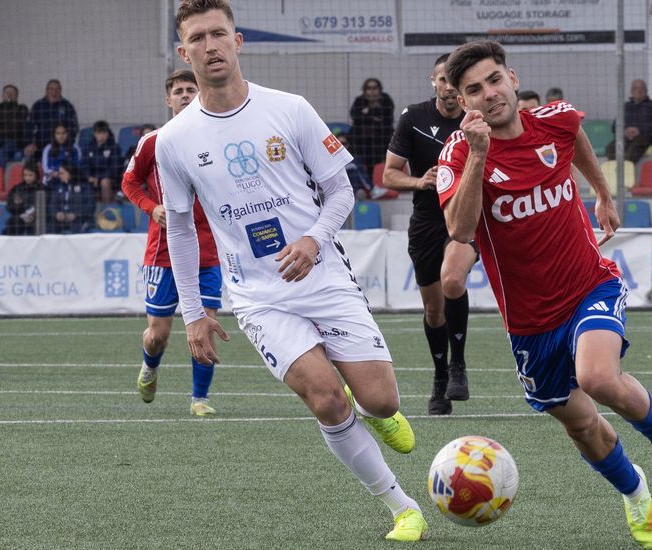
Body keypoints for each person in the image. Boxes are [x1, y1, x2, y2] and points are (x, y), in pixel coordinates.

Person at [156, 1, 427, 541]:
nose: (210, 46)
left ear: (238, 41)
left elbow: (340, 190)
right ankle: (402, 507)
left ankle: (373, 407)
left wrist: (313, 238)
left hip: (323, 275)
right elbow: (181, 230)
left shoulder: (290, 108)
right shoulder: (173, 140)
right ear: (184, 53)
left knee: (381, 400)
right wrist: (194, 314)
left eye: (218, 34)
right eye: (197, 39)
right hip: (258, 295)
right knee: (325, 397)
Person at [439, 40, 652, 550]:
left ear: (513, 78)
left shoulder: (556, 121)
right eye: (473, 90)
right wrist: (479, 154)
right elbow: (459, 228)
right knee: (583, 427)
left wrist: (603, 194)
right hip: (530, 322)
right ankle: (634, 493)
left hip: (590, 283)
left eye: (495, 80)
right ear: (461, 102)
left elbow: (578, 140)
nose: (489, 94)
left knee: (597, 376)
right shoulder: (459, 153)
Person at [121, 69, 222, 417]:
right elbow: (130, 182)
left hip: (208, 254)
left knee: (205, 324)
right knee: (158, 334)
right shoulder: (153, 141)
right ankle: (150, 365)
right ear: (168, 100)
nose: (184, 94)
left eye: (190, 89)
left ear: (200, 92)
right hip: (162, 253)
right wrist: (152, 208)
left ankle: (200, 399)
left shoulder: (217, 138)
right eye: (177, 90)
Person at [382, 54, 477, 415]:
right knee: (433, 311)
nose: (448, 87)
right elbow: (389, 175)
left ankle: (459, 366)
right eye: (442, 80)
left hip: (465, 220)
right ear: (433, 82)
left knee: (453, 280)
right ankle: (440, 378)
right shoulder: (414, 118)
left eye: (454, 80)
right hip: (425, 219)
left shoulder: (476, 120)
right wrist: (419, 180)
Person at [606, 79, 652, 162]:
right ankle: (616, 171)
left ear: (646, 91)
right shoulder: (625, 106)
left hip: (645, 138)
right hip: (626, 137)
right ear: (631, 91)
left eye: (642, 88)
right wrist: (625, 130)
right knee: (610, 149)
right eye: (635, 88)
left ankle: (624, 171)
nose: (639, 90)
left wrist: (639, 130)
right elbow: (614, 126)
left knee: (631, 151)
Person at [349, 78, 395, 172]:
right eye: (369, 88)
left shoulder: (386, 100)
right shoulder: (359, 100)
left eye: (375, 88)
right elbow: (355, 116)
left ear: (380, 89)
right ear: (365, 91)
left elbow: (387, 119)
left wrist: (366, 113)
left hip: (382, 139)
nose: (372, 91)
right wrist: (374, 115)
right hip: (362, 141)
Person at [26, 79, 79, 159]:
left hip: (62, 145)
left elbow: (74, 127)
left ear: (61, 91)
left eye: (57, 89)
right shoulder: (37, 106)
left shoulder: (67, 106)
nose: (54, 91)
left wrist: (67, 142)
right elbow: (29, 127)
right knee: (28, 156)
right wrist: (29, 143)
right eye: (51, 89)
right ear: (46, 90)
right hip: (40, 145)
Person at [47, 161, 95, 234]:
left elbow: (90, 205)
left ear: (70, 173)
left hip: (79, 219)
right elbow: (52, 204)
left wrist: (76, 214)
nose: (60, 175)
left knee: (77, 227)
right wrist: (56, 214)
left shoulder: (85, 186)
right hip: (61, 219)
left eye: (62, 173)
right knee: (50, 226)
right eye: (59, 173)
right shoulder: (58, 186)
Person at [82, 120, 123, 202]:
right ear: (94, 134)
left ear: (108, 133)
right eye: (99, 133)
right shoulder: (89, 147)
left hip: (110, 178)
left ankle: (106, 211)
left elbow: (114, 169)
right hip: (92, 177)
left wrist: (98, 178)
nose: (101, 136)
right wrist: (89, 176)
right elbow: (84, 164)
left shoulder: (114, 147)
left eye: (104, 133)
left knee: (104, 182)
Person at [3, 161, 43, 236]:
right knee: (12, 221)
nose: (27, 178)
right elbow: (9, 206)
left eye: (30, 175)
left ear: (36, 175)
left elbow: (45, 208)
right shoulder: (17, 188)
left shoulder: (42, 189)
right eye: (25, 175)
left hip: (37, 220)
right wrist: (16, 204)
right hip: (19, 219)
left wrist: (33, 216)